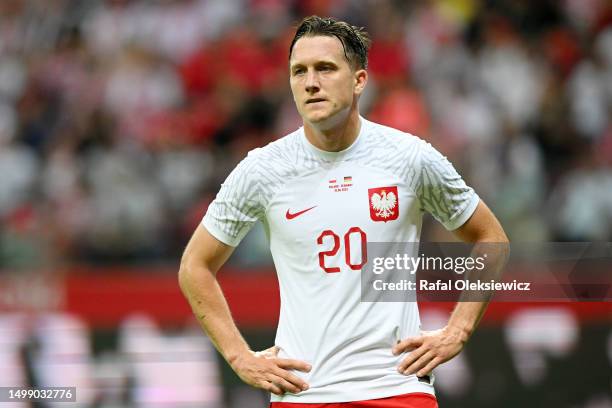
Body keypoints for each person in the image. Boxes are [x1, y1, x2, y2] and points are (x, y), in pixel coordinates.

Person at [179, 15, 508, 408]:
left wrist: (458, 330)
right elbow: (194, 266)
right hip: (304, 393)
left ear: (359, 81)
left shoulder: (409, 157)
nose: (310, 82)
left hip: (397, 388)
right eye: (299, 71)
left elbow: (491, 239)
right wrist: (239, 356)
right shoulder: (262, 169)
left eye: (325, 68)